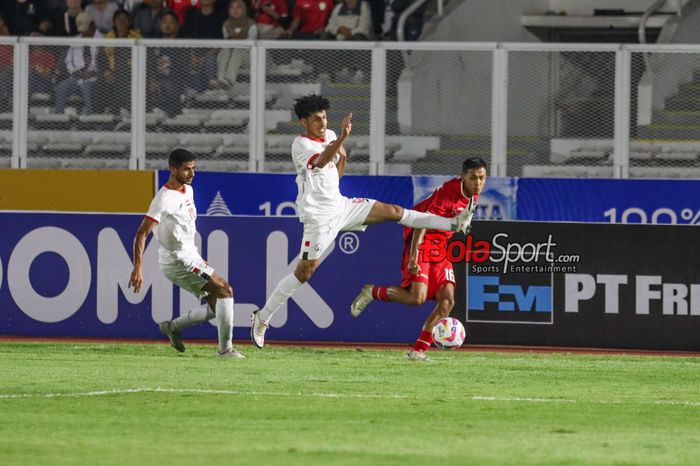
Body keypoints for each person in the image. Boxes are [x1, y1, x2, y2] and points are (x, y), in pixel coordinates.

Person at [250, 94, 476, 348]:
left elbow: (336, 172)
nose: (322, 123)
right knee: (304, 272)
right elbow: (321, 161)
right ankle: (263, 317)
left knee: (394, 211)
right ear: (304, 122)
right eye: (316, 119)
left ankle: (453, 223)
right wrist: (343, 139)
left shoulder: (331, 135)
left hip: (341, 206)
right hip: (319, 219)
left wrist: (343, 157)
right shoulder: (300, 145)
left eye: (324, 117)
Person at [350, 158, 487, 361]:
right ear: (463, 177)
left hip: (441, 249)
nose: (478, 182)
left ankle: (418, 351)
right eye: (473, 178)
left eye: (482, 178)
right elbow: (422, 221)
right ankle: (372, 292)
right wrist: (414, 255)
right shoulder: (449, 192)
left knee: (447, 302)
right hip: (422, 242)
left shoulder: (472, 195)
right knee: (417, 298)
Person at [129, 149, 244, 359]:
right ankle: (225, 350)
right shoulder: (163, 199)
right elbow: (141, 233)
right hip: (178, 261)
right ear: (173, 170)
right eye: (186, 169)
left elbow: (184, 230)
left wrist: (199, 259)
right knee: (225, 290)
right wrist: (138, 268)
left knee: (216, 306)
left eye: (193, 168)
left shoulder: (187, 190)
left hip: (191, 257)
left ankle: (173, 327)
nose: (192, 174)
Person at [54, 12, 105, 115]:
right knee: (62, 86)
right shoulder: (75, 40)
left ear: (93, 25)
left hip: (94, 78)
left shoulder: (103, 39)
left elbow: (104, 62)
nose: (84, 33)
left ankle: (89, 118)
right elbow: (69, 61)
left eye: (86, 29)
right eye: (82, 30)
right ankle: (59, 119)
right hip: (77, 76)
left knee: (85, 85)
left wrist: (92, 73)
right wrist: (75, 72)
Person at [215, 0, 256, 90]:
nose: (235, 10)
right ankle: (220, 78)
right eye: (232, 8)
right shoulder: (226, 24)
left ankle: (229, 81)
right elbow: (227, 41)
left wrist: (236, 39)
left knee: (237, 50)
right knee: (225, 49)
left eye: (238, 7)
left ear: (244, 9)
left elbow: (250, 45)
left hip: (249, 56)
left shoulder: (251, 24)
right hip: (233, 55)